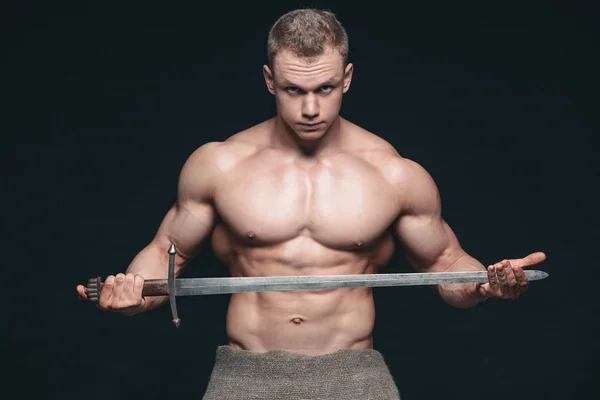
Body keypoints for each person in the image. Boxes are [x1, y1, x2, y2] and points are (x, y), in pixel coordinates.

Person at [77, 8, 546, 399]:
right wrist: (132, 292)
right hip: (246, 377)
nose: (310, 110)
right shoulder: (219, 165)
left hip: (356, 377)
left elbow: (446, 266)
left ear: (347, 78)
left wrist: (483, 284)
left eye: (324, 89)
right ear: (268, 80)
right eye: (293, 90)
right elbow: (166, 251)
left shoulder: (393, 174)